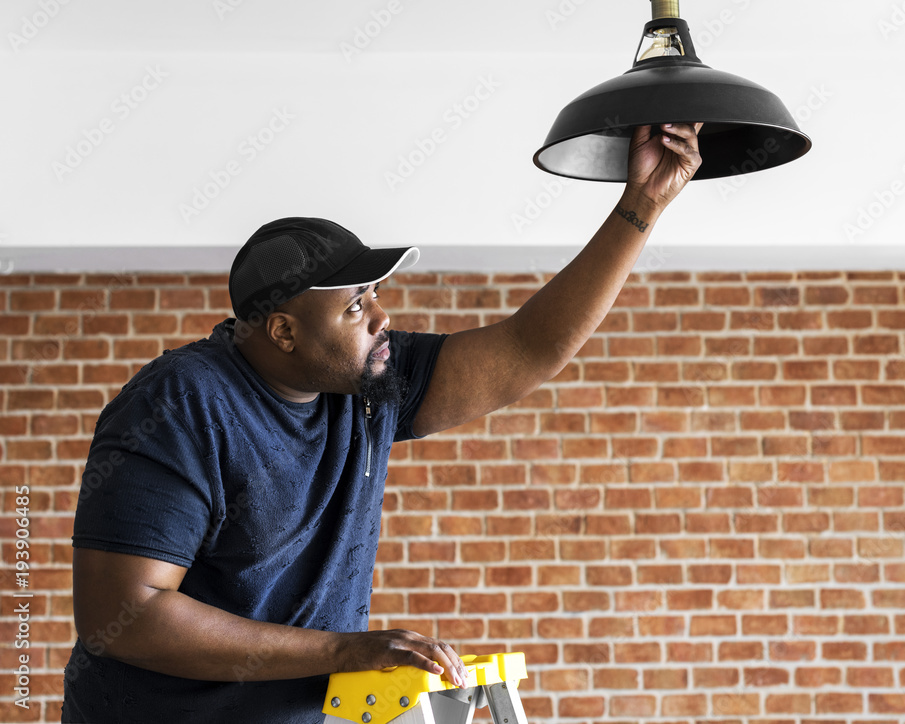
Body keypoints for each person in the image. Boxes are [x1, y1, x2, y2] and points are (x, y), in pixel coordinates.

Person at [63, 122, 703, 723]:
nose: (381, 317)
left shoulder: (366, 383)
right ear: (283, 331)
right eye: (354, 306)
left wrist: (642, 204)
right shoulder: (182, 402)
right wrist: (342, 653)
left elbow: (527, 350)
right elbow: (124, 614)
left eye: (374, 294)